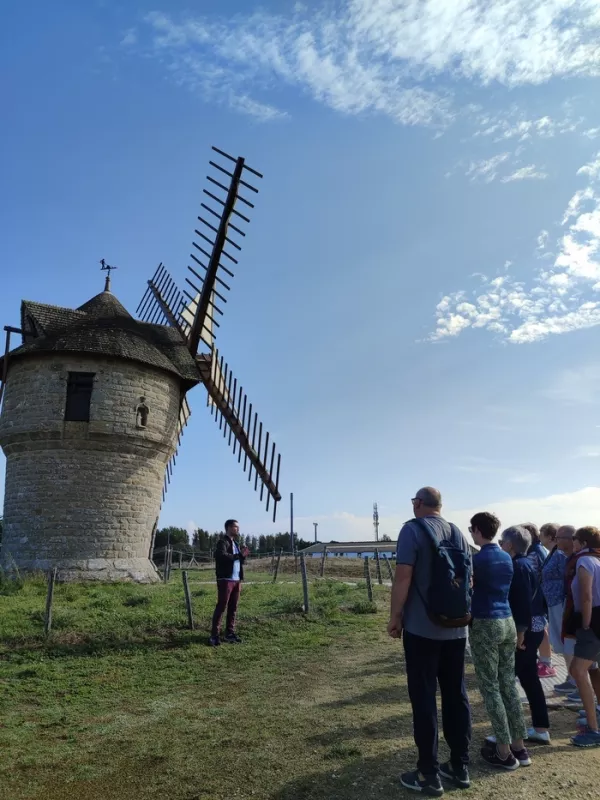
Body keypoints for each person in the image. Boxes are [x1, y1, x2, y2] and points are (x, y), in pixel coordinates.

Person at [388, 487, 472, 796]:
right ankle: (460, 766)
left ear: (418, 503)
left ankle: (428, 773)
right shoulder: (458, 532)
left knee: (424, 699)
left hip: (423, 630)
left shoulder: (412, 530)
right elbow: (469, 580)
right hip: (457, 629)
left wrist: (395, 616)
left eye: (413, 502)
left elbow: (403, 577)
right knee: (456, 695)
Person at [469, 513, 530, 770]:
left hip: (485, 622)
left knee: (490, 686)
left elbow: (467, 588)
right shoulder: (507, 556)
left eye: (472, 529)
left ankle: (503, 751)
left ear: (478, 531)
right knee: (507, 683)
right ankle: (519, 744)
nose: (471, 533)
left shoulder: (477, 560)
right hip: (507, 620)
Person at [500, 526, 551, 745]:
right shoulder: (526, 565)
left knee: (506, 680)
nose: (500, 545)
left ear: (510, 545)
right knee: (530, 679)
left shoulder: (517, 567)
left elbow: (522, 603)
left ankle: (511, 733)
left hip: (526, 631)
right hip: (535, 628)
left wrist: (520, 633)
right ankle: (540, 728)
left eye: (502, 542)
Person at [566, 527, 600, 747]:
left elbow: (586, 595)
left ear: (582, 542)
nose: (572, 543)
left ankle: (593, 729)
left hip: (594, 620)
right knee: (594, 669)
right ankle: (595, 718)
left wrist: (586, 624)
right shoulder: (597, 560)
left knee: (577, 671)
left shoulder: (584, 562)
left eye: (574, 540)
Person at [522, 522, 555, 678]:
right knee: (540, 628)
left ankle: (545, 663)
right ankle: (544, 661)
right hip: (538, 597)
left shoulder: (534, 552)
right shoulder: (537, 550)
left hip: (536, 598)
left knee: (540, 629)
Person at [209, 519, 249, 647]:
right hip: (225, 579)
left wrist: (243, 555)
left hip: (236, 579)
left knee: (233, 607)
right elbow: (221, 556)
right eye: (235, 527)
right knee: (222, 606)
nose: (238, 529)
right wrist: (238, 556)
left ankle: (229, 633)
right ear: (228, 528)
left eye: (238, 527)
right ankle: (214, 636)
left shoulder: (236, 543)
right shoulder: (222, 542)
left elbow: (238, 561)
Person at [539, 523, 566, 679]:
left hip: (559, 601)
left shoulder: (559, 555)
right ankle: (572, 678)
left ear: (550, 536)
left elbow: (566, 577)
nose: (539, 536)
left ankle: (573, 679)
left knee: (564, 642)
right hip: (552, 601)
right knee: (560, 641)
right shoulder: (552, 553)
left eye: (541, 533)